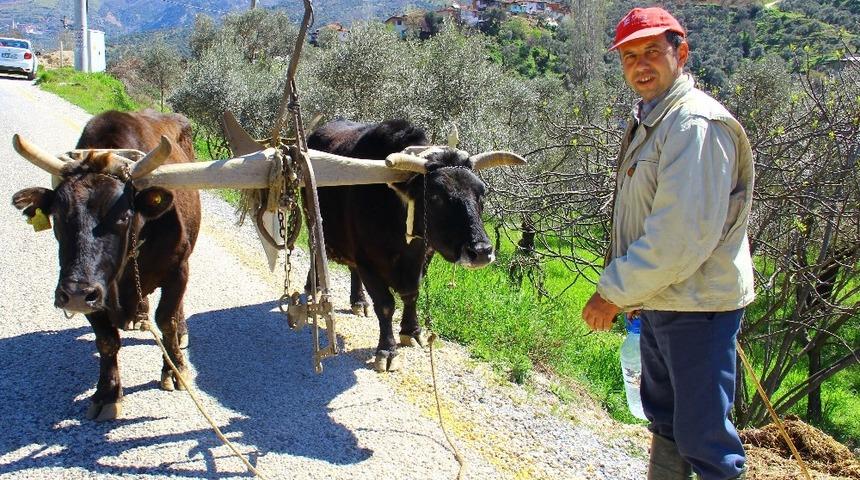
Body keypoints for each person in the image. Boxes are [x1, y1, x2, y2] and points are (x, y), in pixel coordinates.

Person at [580, 7, 755, 480]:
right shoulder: (657, 118)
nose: (640, 65)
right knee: (668, 420)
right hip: (668, 297)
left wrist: (615, 293)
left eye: (653, 52)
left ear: (681, 53)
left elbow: (678, 238)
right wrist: (640, 293)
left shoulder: (693, 124)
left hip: (698, 305)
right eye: (630, 55)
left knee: (704, 438)